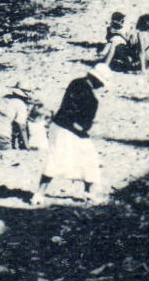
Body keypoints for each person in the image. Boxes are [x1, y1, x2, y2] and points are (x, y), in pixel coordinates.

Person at [33, 66, 108, 203]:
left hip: (58, 125)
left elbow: (67, 109)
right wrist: (81, 128)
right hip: (68, 129)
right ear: (98, 80)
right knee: (85, 157)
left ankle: (39, 194)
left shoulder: (76, 82)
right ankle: (88, 192)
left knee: (57, 158)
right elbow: (82, 122)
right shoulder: (91, 98)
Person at [0, 84, 33, 150]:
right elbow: (22, 128)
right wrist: (27, 147)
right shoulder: (20, 105)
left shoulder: (5, 98)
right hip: (1, 135)